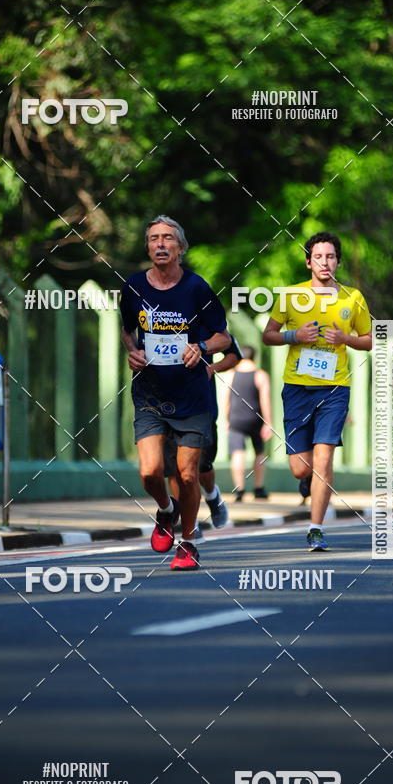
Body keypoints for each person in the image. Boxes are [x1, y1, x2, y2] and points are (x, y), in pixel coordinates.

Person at [120, 215, 230, 571]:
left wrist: (200, 345)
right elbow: (126, 330)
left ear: (181, 248)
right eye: (154, 238)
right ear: (148, 246)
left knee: (187, 474)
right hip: (150, 393)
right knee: (150, 472)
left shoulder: (196, 288)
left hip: (192, 394)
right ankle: (166, 510)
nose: (161, 244)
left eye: (168, 238)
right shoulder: (133, 287)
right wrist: (131, 351)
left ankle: (188, 543)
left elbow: (224, 338)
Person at [262, 231, 372, 551]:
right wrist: (294, 335)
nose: (325, 262)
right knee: (302, 466)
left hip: (335, 388)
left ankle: (315, 528)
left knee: (324, 458)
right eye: (319, 257)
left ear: (338, 261)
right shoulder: (291, 296)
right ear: (309, 261)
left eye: (331, 256)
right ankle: (306, 481)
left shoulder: (353, 297)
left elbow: (368, 339)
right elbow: (269, 335)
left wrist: (346, 340)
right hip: (297, 387)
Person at [165, 333, 242, 539]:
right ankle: (189, 522)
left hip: (201, 408)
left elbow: (234, 355)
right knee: (175, 470)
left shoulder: (206, 318)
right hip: (165, 406)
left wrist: (211, 368)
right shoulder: (157, 315)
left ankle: (212, 495)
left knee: (200, 468)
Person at [226, 346, 273, 501]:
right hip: (255, 419)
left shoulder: (231, 374)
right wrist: (268, 422)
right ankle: (259, 489)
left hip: (236, 419)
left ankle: (239, 490)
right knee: (259, 452)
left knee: (238, 453)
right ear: (255, 356)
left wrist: (227, 419)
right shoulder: (260, 375)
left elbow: (227, 399)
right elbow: (265, 400)